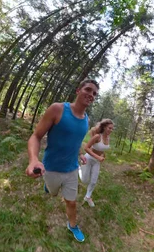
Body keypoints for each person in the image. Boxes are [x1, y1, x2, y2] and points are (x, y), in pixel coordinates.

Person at [25, 79, 99, 242]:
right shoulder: (58, 109)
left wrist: (79, 153)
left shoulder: (86, 119)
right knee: (52, 193)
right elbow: (36, 136)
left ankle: (72, 225)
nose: (91, 95)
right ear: (78, 90)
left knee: (71, 202)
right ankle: (49, 186)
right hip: (51, 167)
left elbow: (75, 140)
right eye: (88, 89)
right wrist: (33, 160)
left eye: (94, 93)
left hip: (72, 169)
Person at [79, 119, 114, 207]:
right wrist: (98, 156)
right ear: (105, 127)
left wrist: (103, 155)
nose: (111, 130)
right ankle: (79, 169)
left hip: (96, 162)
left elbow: (102, 148)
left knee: (94, 181)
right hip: (89, 158)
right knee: (84, 180)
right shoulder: (97, 136)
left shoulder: (108, 138)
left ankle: (87, 197)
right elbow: (86, 148)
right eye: (109, 128)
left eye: (112, 129)